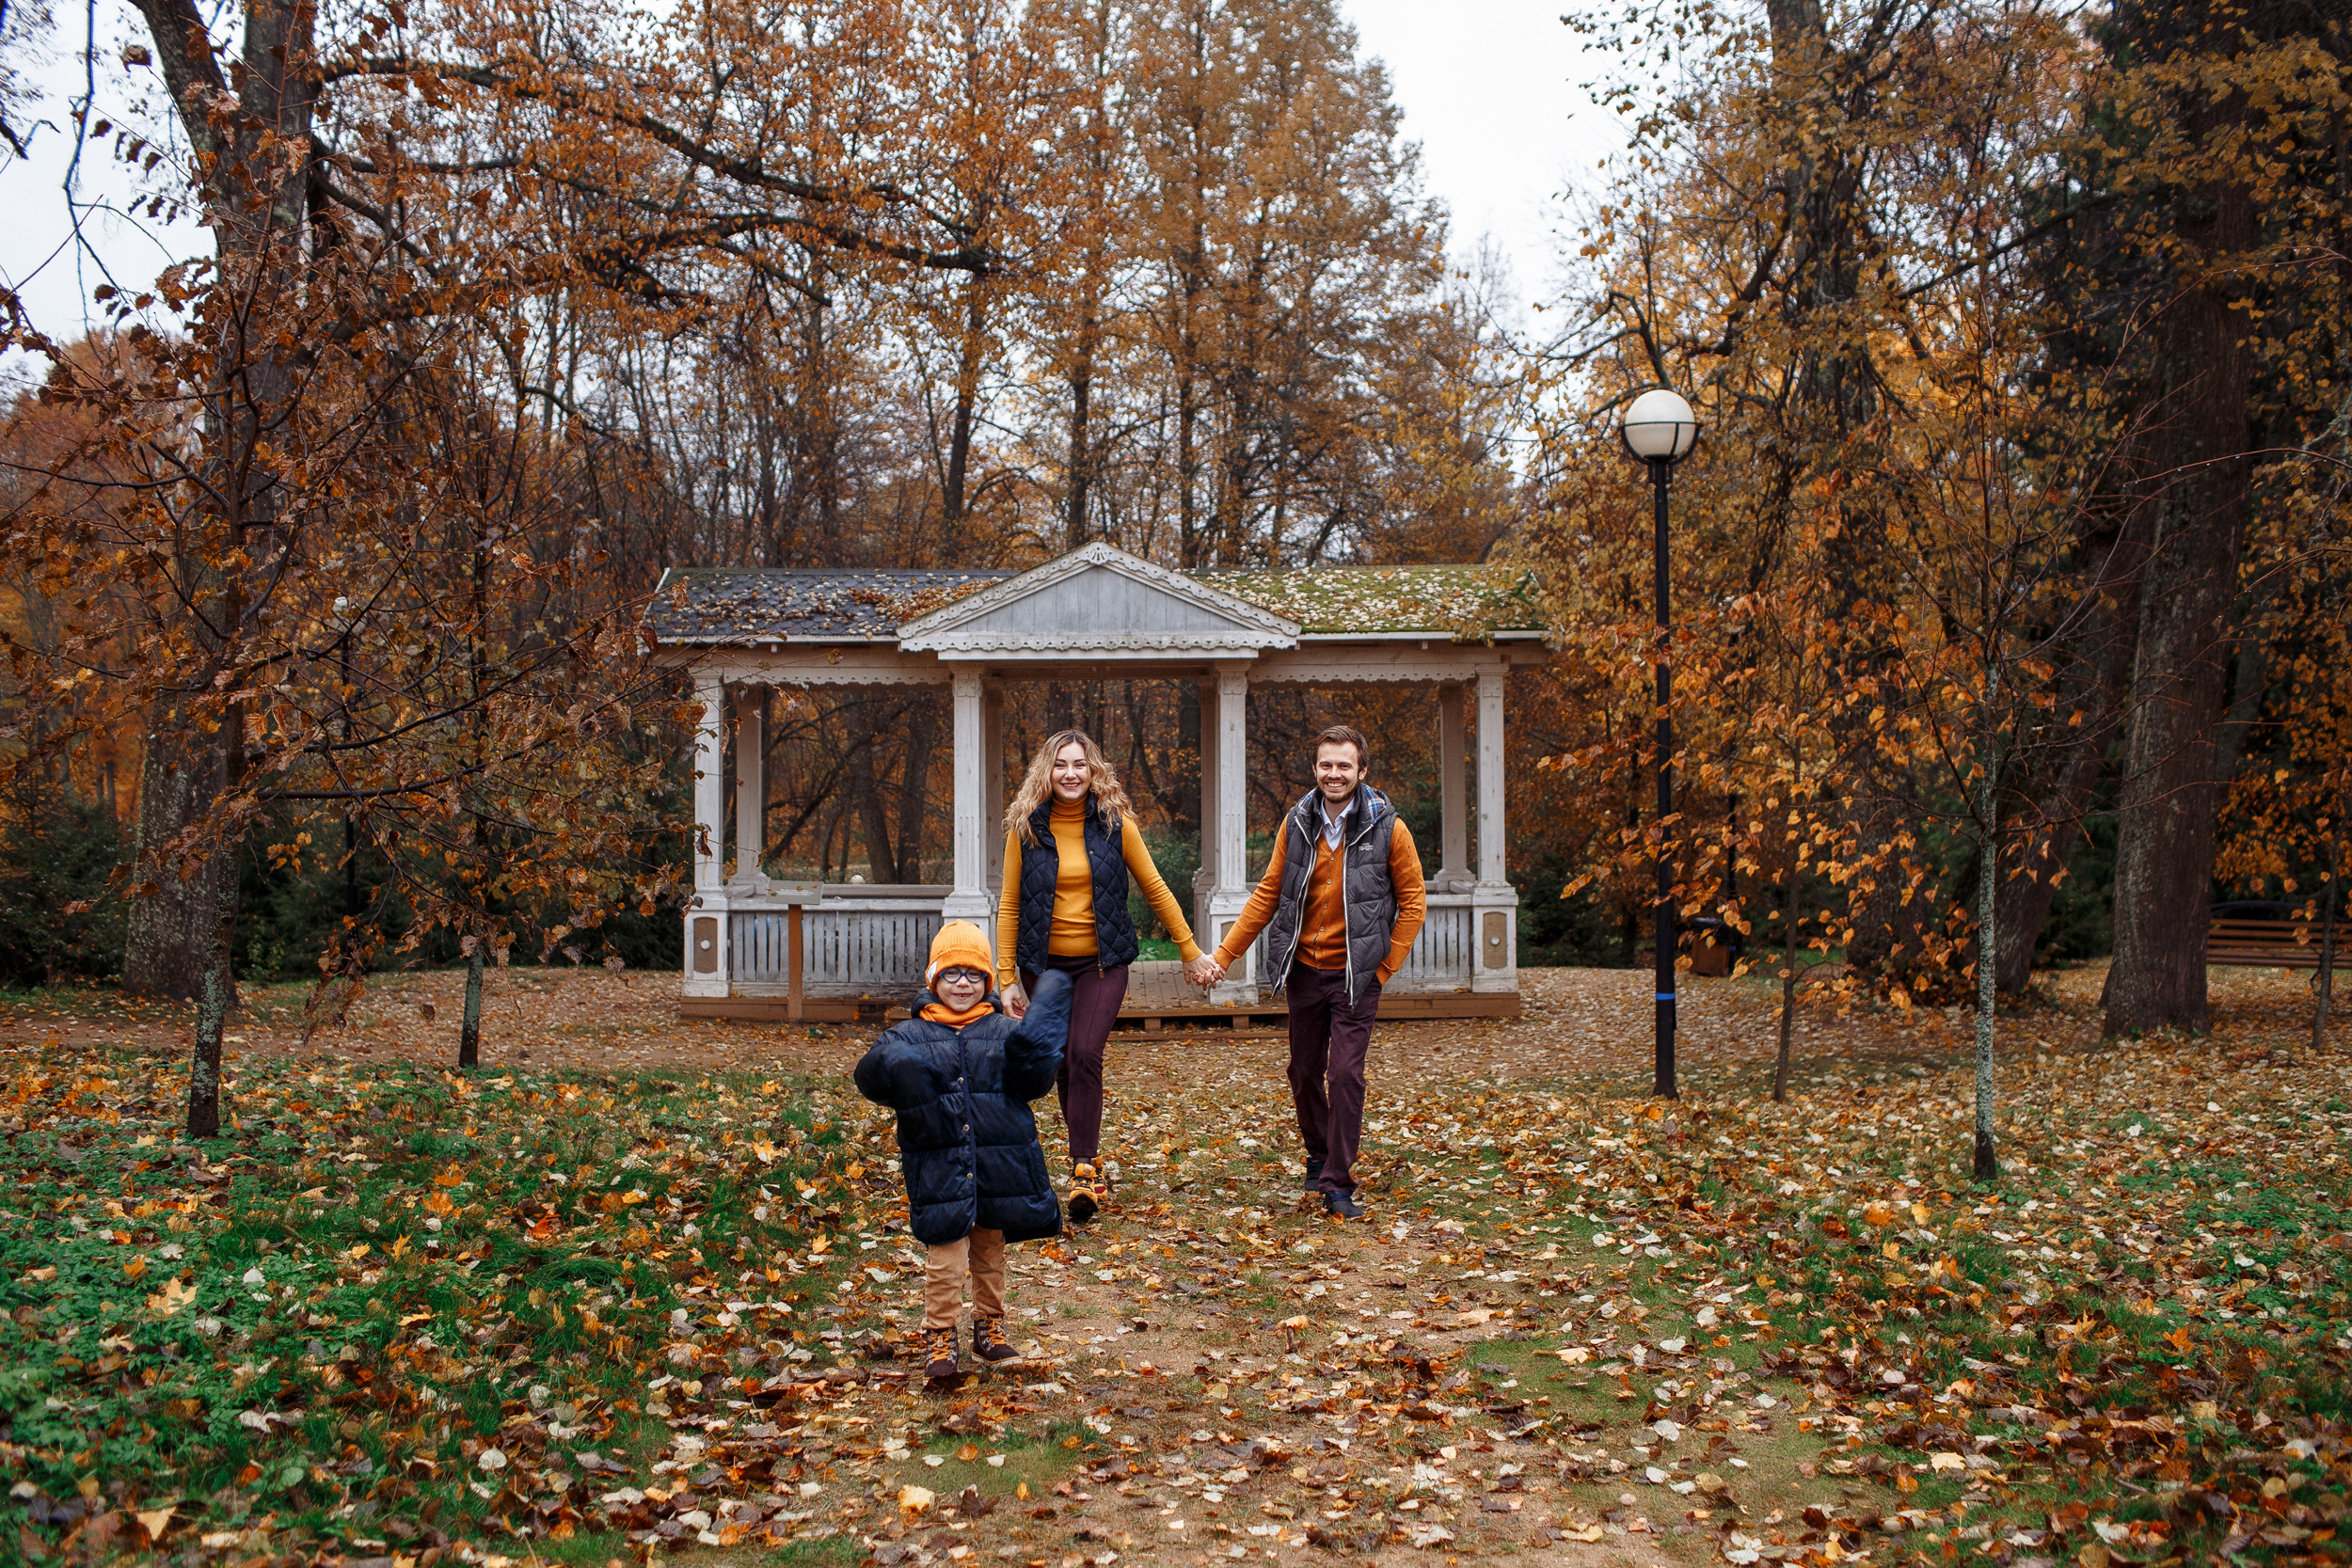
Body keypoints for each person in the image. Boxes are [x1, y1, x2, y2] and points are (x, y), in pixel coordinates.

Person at [1198, 724, 1425, 1219]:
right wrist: (1223, 956)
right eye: (1327, 764)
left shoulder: (1389, 828)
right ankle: (1319, 1152)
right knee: (1303, 1072)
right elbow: (1267, 894)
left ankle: (1338, 1182)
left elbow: (1413, 904)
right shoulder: (1297, 822)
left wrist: (1384, 968)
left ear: (1362, 771)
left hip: (1356, 976)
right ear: (1315, 769)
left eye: (1345, 765)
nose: (1335, 773)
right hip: (1304, 970)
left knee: (1345, 1075)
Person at [996, 729, 1219, 1223]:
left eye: (1080, 764)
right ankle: (1087, 1157)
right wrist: (1006, 975)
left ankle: (1082, 1167)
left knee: (1084, 1052)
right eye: (1060, 765)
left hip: (1103, 961)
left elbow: (1155, 886)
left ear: (1094, 770)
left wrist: (1190, 951)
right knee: (1058, 1060)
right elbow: (1010, 903)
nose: (1070, 773)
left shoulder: (1116, 824)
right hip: (1044, 966)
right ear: (1046, 773)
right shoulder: (1025, 828)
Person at [853, 922, 1072, 1381]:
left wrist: (1039, 1049)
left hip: (997, 1162)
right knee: (945, 1256)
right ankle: (940, 1335)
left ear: (988, 983)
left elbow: (1031, 1086)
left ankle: (989, 1327)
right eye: (951, 974)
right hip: (939, 1165)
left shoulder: (1003, 1032)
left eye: (974, 975)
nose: (962, 984)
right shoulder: (906, 1036)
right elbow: (870, 1080)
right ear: (933, 979)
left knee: (990, 1252)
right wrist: (888, 1063)